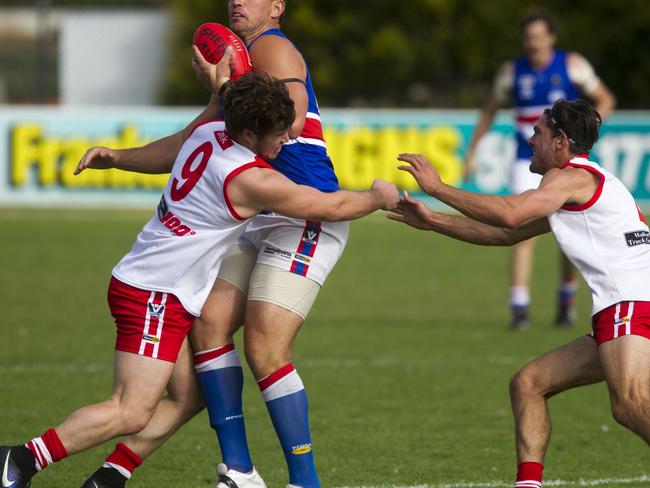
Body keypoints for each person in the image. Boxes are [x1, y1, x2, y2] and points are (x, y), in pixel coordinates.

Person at [0, 71, 398, 488]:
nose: (285, 142)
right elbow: (329, 206)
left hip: (148, 280)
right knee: (130, 409)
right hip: (156, 294)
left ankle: (110, 476)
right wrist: (378, 197)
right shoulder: (248, 179)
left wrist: (218, 87)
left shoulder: (207, 132)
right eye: (278, 135)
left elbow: (191, 129)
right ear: (249, 132)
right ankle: (19, 460)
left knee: (192, 395)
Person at [65, 2, 368, 488]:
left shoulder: (272, 48)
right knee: (207, 326)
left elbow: (285, 126)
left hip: (306, 212)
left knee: (266, 345)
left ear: (276, 7)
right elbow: (191, 139)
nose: (237, 2)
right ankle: (239, 470)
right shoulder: (238, 64)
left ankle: (304, 481)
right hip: (260, 214)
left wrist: (226, 88)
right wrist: (118, 157)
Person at [389, 98, 650, 488]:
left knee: (629, 404)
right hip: (630, 305)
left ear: (560, 142)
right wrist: (433, 222)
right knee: (529, 382)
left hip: (630, 304)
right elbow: (506, 234)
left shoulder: (568, 178)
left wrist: (437, 188)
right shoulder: (583, 184)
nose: (530, 139)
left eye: (538, 133)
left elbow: (510, 213)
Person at [464, 8, 616, 329]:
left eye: (539, 37)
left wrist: (588, 129)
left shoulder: (572, 65)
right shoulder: (512, 72)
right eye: (528, 38)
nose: (534, 43)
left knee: (569, 232)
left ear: (551, 38)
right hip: (526, 159)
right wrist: (473, 151)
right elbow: (490, 109)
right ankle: (519, 307)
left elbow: (605, 99)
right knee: (520, 228)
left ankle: (566, 299)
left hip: (566, 160)